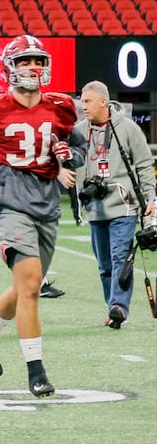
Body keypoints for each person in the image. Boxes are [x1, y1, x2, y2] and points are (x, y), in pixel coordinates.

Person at [0, 34, 85, 398]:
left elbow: (78, 148)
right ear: (9, 67)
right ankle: (37, 371)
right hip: (9, 198)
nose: (34, 67)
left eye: (39, 60)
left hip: (46, 200)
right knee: (31, 285)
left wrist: (69, 157)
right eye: (26, 60)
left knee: (26, 284)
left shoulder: (62, 106)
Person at [72, 81, 156, 329]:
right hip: (95, 208)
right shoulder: (78, 131)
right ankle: (113, 307)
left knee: (120, 257)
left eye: (87, 101)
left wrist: (150, 199)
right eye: (82, 101)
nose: (83, 106)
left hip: (124, 207)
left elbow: (143, 166)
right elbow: (67, 162)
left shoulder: (128, 129)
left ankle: (119, 306)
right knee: (104, 263)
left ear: (103, 102)